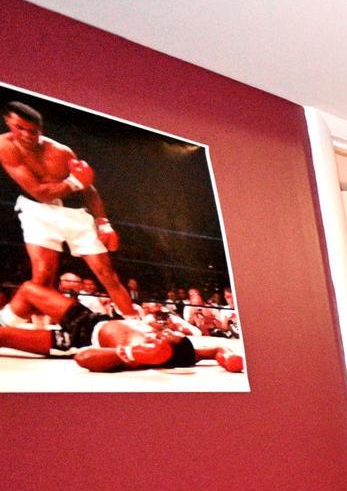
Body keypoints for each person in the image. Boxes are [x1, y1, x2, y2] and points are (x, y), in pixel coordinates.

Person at [1, 101, 137, 318]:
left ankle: (135, 322)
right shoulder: (4, 147)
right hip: (36, 209)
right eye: (20, 128)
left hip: (74, 213)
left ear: (41, 129)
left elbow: (89, 187)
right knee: (42, 275)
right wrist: (74, 182)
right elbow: (39, 192)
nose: (27, 135)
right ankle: (36, 327)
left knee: (106, 273)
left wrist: (103, 222)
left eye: (33, 130)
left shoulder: (61, 152)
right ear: (8, 123)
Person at [0, 277, 242, 374]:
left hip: (77, 341)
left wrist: (129, 352)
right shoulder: (188, 352)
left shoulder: (142, 356)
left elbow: (83, 358)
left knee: (2, 336)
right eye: (168, 334)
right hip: (91, 319)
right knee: (30, 289)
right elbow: (212, 350)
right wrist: (227, 356)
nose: (164, 332)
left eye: (165, 336)